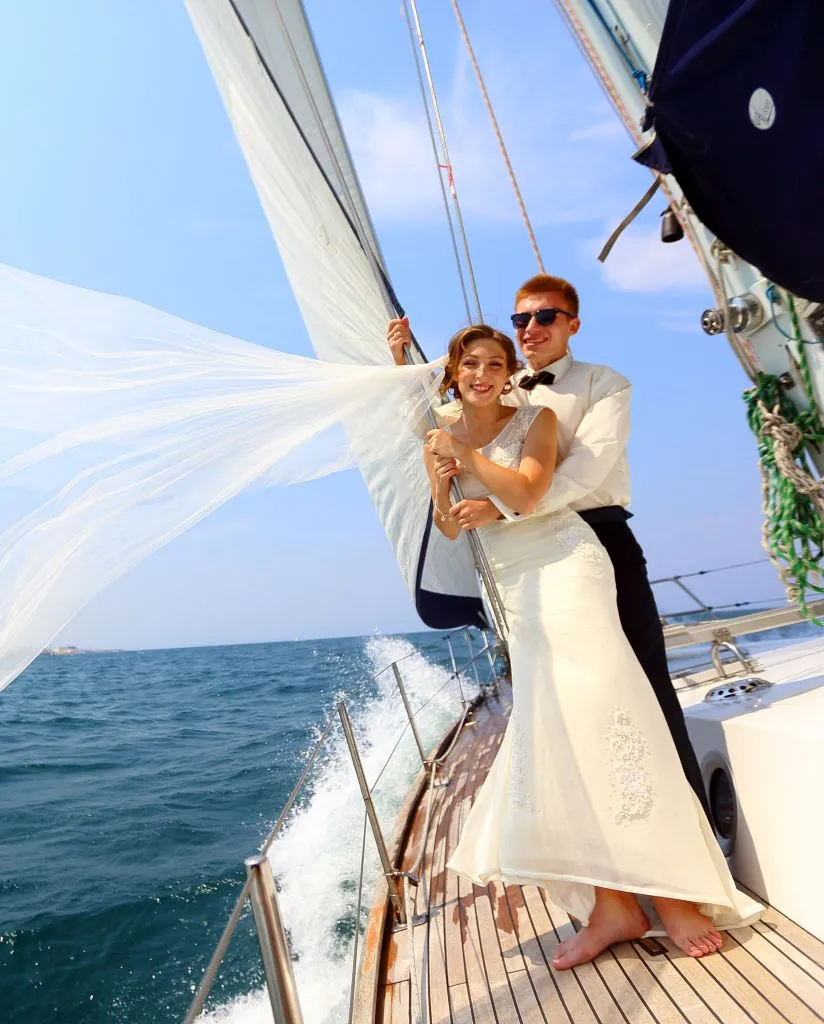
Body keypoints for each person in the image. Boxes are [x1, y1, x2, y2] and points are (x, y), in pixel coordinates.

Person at [422, 323, 762, 968]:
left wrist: (464, 459)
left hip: (564, 564)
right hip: (511, 587)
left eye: (496, 362)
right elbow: (445, 523)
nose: (485, 373)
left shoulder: (538, 419)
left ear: (506, 371)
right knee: (560, 733)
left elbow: (526, 491)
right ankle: (614, 905)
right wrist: (447, 489)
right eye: (472, 364)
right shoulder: (436, 435)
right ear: (454, 371)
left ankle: (679, 895)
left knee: (614, 714)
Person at [388, 274, 710, 819]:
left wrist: (505, 506)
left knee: (643, 681)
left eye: (545, 317)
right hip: (523, 557)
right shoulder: (502, 386)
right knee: (561, 696)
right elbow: (437, 424)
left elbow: (587, 470)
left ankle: (690, 828)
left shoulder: (605, 384)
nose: (531, 328)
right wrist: (401, 362)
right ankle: (598, 830)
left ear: (572, 325)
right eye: (522, 319)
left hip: (596, 535)